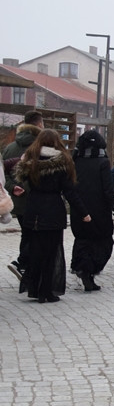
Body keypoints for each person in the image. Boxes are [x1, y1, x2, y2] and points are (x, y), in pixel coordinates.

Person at [12, 129, 90, 302]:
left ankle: (34, 288)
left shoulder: (30, 160)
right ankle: (47, 290)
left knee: (36, 250)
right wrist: (83, 212)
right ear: (57, 142)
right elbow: (70, 191)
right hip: (54, 209)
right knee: (52, 251)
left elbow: (18, 176)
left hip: (33, 208)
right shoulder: (63, 162)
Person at [70, 129, 114, 291]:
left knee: (82, 240)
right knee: (104, 241)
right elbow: (108, 190)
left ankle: (81, 268)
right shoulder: (103, 162)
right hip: (99, 210)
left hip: (79, 209)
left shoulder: (75, 160)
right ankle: (89, 271)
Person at [4, 110, 44, 281]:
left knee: (26, 233)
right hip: (37, 199)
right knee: (35, 236)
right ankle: (23, 264)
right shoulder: (42, 147)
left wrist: (13, 187)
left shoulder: (9, 147)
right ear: (39, 124)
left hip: (18, 200)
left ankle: (25, 266)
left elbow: (2, 174)